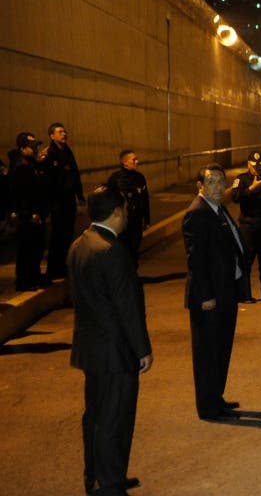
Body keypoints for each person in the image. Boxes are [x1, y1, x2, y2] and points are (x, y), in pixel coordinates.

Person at [68, 186, 152, 496]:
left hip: (91, 348)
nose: (127, 215)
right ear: (116, 212)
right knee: (115, 418)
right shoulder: (112, 251)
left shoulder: (80, 244)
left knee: (95, 416)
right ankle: (109, 483)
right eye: (125, 210)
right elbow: (127, 307)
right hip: (116, 352)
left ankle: (97, 476)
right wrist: (142, 349)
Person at [181, 164, 246, 421]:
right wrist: (206, 295)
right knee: (207, 352)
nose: (218, 187)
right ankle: (208, 406)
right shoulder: (197, 213)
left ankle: (216, 397)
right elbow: (196, 260)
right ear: (200, 186)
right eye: (212, 182)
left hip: (225, 292)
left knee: (220, 349)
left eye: (221, 181)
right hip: (210, 298)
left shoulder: (217, 209)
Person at [230, 151, 261, 302]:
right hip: (248, 227)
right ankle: (245, 293)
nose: (257, 168)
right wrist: (251, 189)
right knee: (246, 261)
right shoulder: (241, 179)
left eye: (260, 165)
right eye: (254, 165)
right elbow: (234, 197)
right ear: (248, 164)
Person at [42, 122, 86, 280]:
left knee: (67, 234)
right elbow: (47, 179)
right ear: (52, 136)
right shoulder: (49, 154)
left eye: (64, 131)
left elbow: (75, 174)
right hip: (57, 202)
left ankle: (62, 266)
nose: (64, 134)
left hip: (69, 200)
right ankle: (53, 269)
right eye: (60, 132)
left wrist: (79, 195)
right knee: (58, 235)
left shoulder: (67, 151)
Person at [9, 132, 50, 291]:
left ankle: (34, 276)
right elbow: (21, 194)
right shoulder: (20, 167)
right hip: (28, 215)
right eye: (31, 146)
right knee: (27, 248)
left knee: (37, 247)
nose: (35, 149)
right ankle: (24, 281)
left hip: (36, 213)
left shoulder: (31, 164)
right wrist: (29, 213)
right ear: (22, 148)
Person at [105, 150, 150, 265]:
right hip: (122, 221)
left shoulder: (140, 177)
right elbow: (108, 199)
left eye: (137, 159)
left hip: (137, 219)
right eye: (134, 160)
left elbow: (145, 199)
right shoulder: (115, 178)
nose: (137, 162)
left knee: (135, 248)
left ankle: (132, 271)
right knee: (123, 249)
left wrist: (147, 219)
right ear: (125, 162)